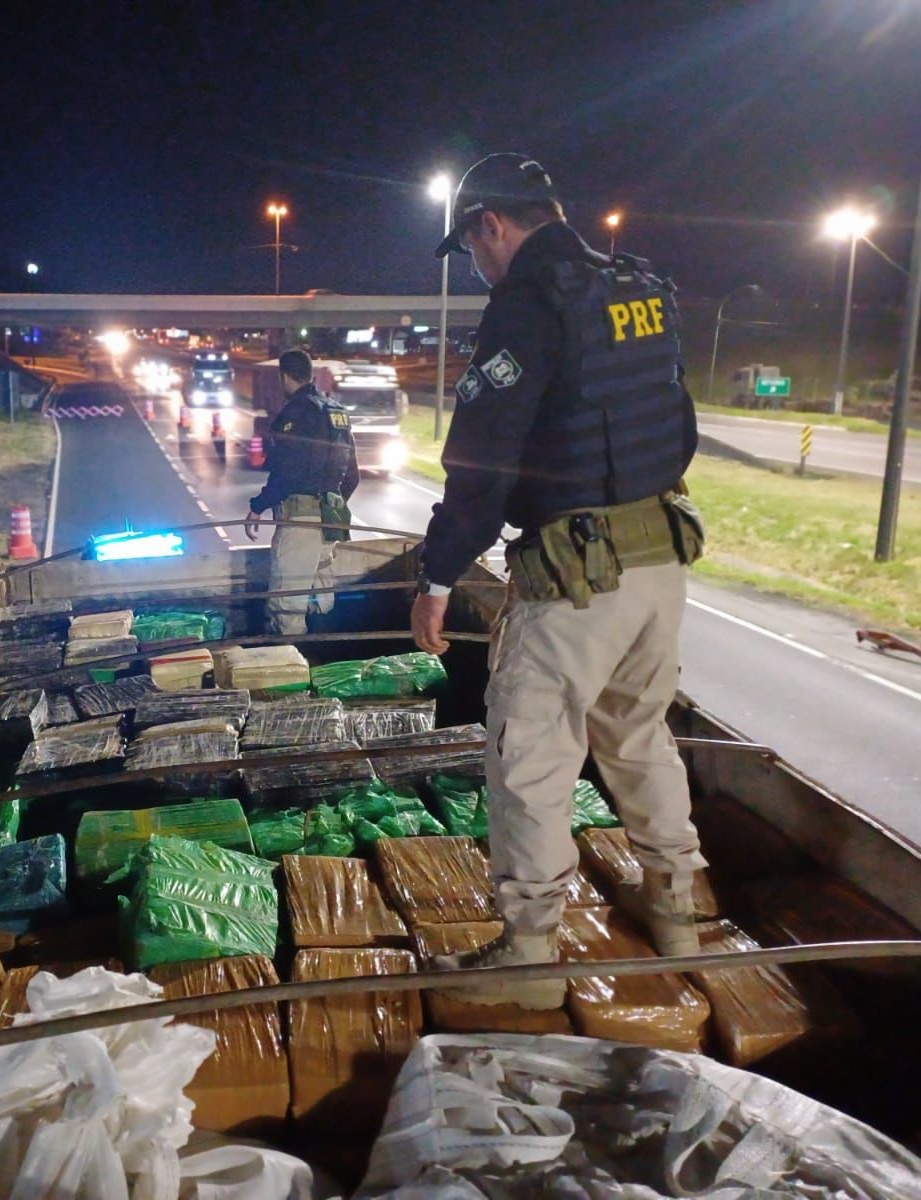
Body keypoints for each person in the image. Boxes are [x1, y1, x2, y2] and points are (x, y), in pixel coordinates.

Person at [409, 153, 709, 1009]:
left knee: (532, 753)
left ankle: (532, 958)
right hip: (660, 556)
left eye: (472, 248)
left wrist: (438, 572)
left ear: (489, 226)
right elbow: (676, 423)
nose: (477, 266)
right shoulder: (636, 285)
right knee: (639, 736)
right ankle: (677, 907)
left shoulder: (529, 301)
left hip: (577, 574)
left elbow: (481, 459)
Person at [245, 349, 360, 634]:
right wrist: (330, 501)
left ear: (284, 376)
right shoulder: (337, 412)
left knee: (287, 606)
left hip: (301, 523)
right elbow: (353, 475)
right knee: (320, 598)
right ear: (310, 374)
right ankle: (321, 660)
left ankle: (291, 670)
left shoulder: (296, 413)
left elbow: (287, 470)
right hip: (330, 521)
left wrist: (258, 506)